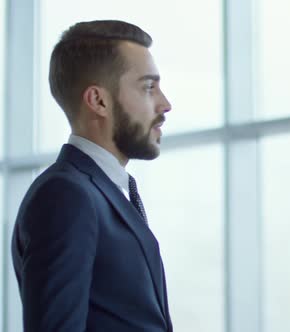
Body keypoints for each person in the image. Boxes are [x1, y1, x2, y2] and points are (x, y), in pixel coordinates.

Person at [12, 20, 173, 331]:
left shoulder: (99, 191)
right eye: (149, 87)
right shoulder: (65, 195)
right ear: (99, 101)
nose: (165, 104)